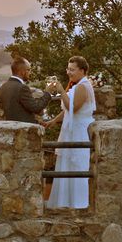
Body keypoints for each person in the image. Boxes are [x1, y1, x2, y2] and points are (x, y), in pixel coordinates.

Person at [44, 55, 96, 209]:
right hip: (72, 129)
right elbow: (68, 110)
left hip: (78, 132)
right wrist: (54, 121)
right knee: (67, 165)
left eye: (72, 70)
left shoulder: (83, 86)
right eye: (68, 69)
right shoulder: (77, 84)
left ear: (82, 70)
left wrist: (60, 91)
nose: (68, 72)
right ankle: (65, 201)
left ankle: (77, 203)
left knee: (77, 164)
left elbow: (74, 107)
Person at [0, 57, 54, 124]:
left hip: (11, 126)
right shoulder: (22, 88)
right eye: (29, 70)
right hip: (24, 129)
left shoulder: (3, 86)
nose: (30, 73)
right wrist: (47, 93)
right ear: (22, 72)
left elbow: (19, 109)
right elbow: (36, 108)